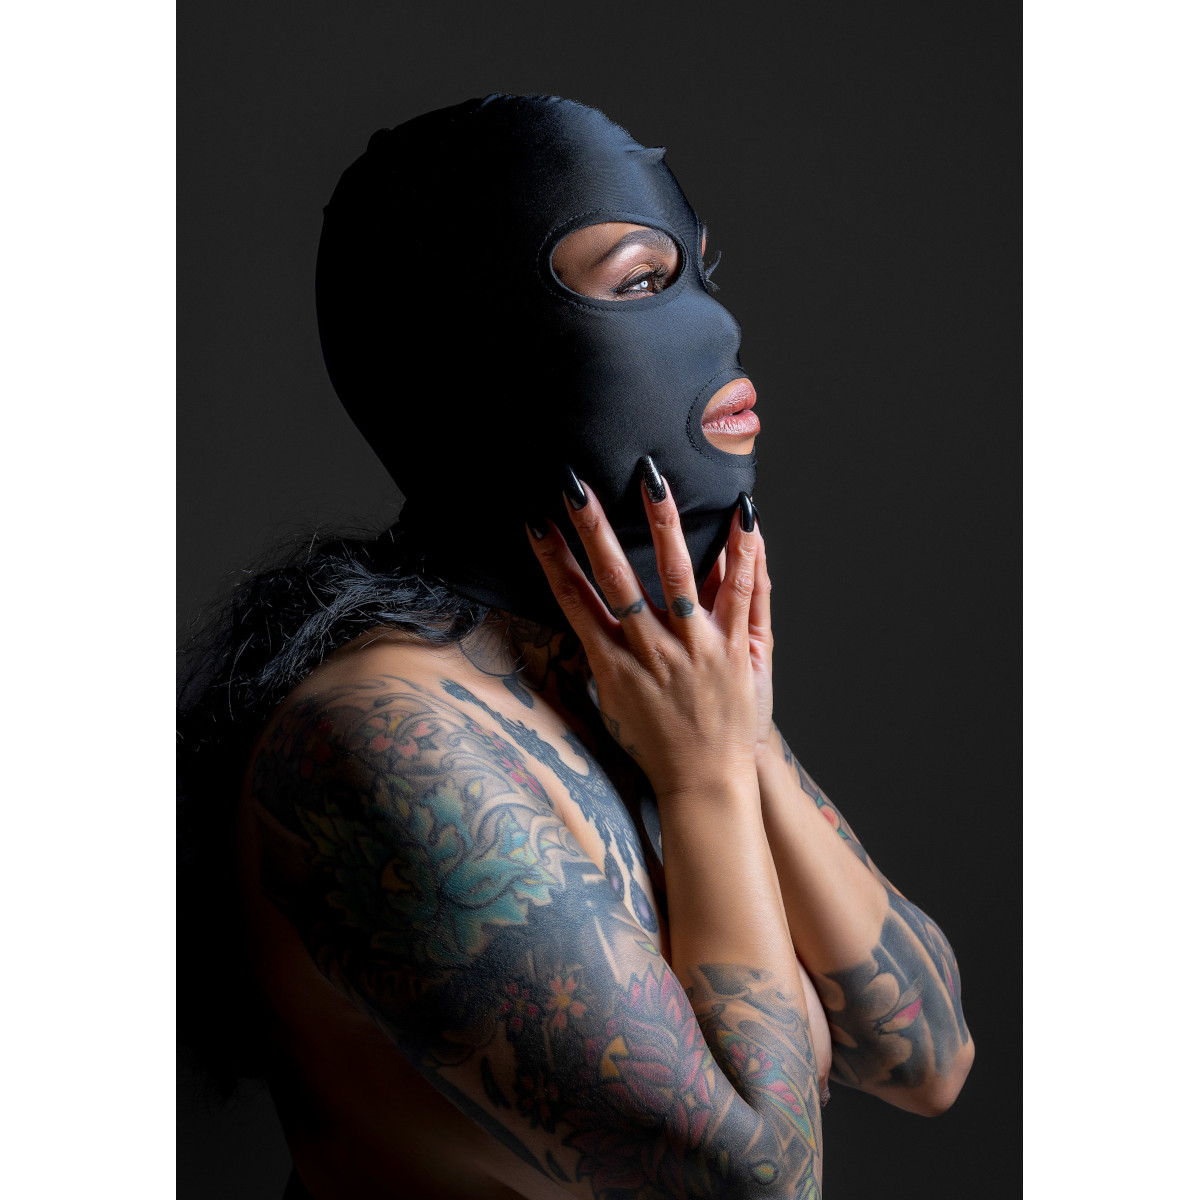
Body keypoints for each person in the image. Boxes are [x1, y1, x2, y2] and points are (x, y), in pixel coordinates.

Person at [178, 94, 973, 1200]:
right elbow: (758, 1184)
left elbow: (926, 1058)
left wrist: (736, 733)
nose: (719, 328)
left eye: (699, 270)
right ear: (473, 358)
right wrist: (704, 777)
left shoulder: (643, 685)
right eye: (640, 281)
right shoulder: (381, 740)